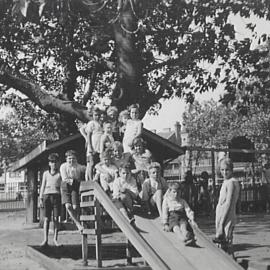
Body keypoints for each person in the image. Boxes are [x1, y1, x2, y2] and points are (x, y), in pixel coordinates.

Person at [213, 158, 240, 255]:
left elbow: (228, 203)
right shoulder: (226, 181)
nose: (224, 172)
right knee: (221, 244)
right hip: (221, 214)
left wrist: (221, 223)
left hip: (227, 215)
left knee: (227, 242)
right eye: (222, 170)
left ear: (231, 170)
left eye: (227, 170)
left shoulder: (231, 182)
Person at [60, 150, 86, 232]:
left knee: (75, 207)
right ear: (66, 159)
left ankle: (76, 220)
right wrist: (76, 181)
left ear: (76, 159)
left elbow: (86, 169)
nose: (71, 160)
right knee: (68, 206)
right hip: (66, 186)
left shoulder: (79, 167)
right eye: (69, 159)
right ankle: (78, 224)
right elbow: (65, 179)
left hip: (74, 187)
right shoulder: (63, 166)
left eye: (73, 158)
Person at [39, 153, 62, 247]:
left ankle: (55, 239)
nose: (54, 164)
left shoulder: (60, 174)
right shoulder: (45, 174)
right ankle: (45, 239)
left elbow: (62, 187)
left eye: (55, 162)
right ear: (49, 163)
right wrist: (40, 198)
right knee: (46, 219)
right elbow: (42, 186)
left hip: (56, 196)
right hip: (47, 196)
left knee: (56, 218)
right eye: (52, 162)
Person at [80, 107, 103, 181]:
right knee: (91, 163)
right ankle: (90, 179)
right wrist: (90, 147)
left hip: (99, 147)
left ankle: (95, 179)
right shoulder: (91, 123)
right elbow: (88, 135)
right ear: (92, 115)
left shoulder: (101, 124)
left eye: (99, 115)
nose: (97, 116)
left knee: (98, 163)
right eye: (95, 115)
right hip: (92, 146)